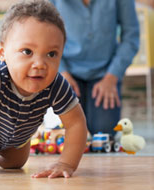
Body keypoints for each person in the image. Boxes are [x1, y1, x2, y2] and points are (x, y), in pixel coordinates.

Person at [0, 0, 87, 179]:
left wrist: (66, 163)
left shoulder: (56, 85)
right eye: (27, 51)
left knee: (14, 164)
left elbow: (76, 123)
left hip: (14, 138)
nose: (40, 64)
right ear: (2, 52)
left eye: (51, 54)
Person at [49, 0, 139, 136]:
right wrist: (62, 73)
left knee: (103, 133)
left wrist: (112, 76)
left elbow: (131, 37)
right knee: (68, 131)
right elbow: (46, 37)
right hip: (66, 72)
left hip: (105, 74)